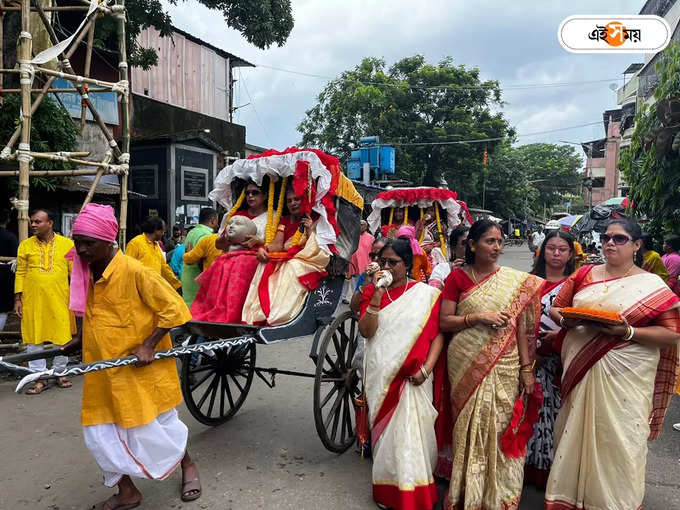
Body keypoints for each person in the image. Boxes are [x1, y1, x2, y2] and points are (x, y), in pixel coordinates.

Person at [61, 203, 201, 508]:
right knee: (98, 433)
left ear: (108, 241)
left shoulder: (135, 271)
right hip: (101, 367)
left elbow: (176, 310)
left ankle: (188, 465)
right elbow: (91, 310)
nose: (81, 249)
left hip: (139, 369)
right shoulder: (84, 269)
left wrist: (149, 344)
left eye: (89, 243)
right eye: (78, 242)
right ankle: (126, 490)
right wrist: (80, 338)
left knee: (157, 428)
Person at [545, 219, 680, 510]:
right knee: (572, 437)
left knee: (621, 443)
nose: (609, 243)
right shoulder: (583, 275)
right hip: (579, 371)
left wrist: (627, 332)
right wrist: (565, 319)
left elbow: (670, 334)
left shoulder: (651, 285)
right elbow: (557, 307)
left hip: (626, 378)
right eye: (606, 237)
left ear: (636, 245)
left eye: (619, 239)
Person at [439, 219, 543, 509]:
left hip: (506, 362)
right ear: (473, 245)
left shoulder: (512, 280)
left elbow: (521, 328)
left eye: (499, 241)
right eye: (490, 241)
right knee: (468, 428)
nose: (497, 247)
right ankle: (467, 494)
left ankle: (499, 497)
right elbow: (445, 322)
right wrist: (478, 317)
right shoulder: (457, 279)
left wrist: (526, 369)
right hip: (464, 360)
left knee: (500, 426)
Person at [358, 238, 444, 510]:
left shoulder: (426, 295)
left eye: (392, 262)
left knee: (410, 436)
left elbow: (438, 335)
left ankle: (412, 494)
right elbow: (367, 332)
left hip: (415, 379)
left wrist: (426, 369)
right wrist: (375, 294)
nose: (386, 267)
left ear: (406, 265)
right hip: (382, 377)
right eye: (382, 262)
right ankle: (388, 490)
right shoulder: (373, 291)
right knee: (388, 440)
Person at [524, 230, 575, 489]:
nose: (556, 253)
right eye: (551, 248)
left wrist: (556, 340)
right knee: (529, 414)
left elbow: (579, 324)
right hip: (528, 359)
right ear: (542, 251)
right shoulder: (528, 282)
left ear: (570, 254)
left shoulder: (576, 285)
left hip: (559, 360)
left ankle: (552, 473)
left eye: (562, 249)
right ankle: (526, 468)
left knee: (555, 417)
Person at [242, 187, 329, 326]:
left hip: (311, 260)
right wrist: (263, 249)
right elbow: (278, 245)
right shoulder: (285, 221)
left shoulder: (316, 219)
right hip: (288, 258)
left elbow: (318, 249)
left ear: (305, 201)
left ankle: (279, 314)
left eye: (297, 199)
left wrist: (310, 230)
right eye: (289, 201)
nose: (293, 203)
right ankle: (260, 312)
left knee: (291, 266)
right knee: (264, 263)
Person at [15, 209, 75, 393]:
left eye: (38, 221)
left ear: (50, 223)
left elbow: (75, 274)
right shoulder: (25, 245)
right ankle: (39, 378)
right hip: (33, 300)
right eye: (32, 222)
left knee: (62, 335)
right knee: (34, 338)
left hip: (61, 298)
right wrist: (18, 298)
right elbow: (21, 272)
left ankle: (60, 373)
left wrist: (79, 299)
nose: (33, 225)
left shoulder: (67, 244)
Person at [191, 215, 260, 324]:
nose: (231, 226)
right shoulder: (222, 258)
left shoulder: (248, 260)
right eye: (230, 223)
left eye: (238, 224)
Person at [126, 216, 182, 291]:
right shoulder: (135, 243)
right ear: (156, 230)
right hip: (139, 292)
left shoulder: (156, 246)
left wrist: (177, 285)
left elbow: (164, 268)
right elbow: (128, 269)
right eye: (162, 231)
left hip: (154, 290)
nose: (163, 234)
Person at [181, 208, 219, 307]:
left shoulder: (192, 232)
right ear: (213, 220)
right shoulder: (206, 235)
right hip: (197, 283)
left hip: (188, 279)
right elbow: (201, 259)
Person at [350, 238, 387, 313]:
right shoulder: (366, 276)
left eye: (380, 256)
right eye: (373, 255)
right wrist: (366, 283)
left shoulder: (392, 279)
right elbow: (354, 308)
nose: (376, 259)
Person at [0, 209, 18, 331]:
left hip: (5, 271)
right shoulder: (10, 237)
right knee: (2, 308)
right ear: (7, 220)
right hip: (4, 274)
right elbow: (18, 256)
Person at [349, 220, 375, 290]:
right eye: (359, 224)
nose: (360, 226)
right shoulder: (352, 235)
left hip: (365, 265)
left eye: (362, 225)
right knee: (354, 286)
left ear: (366, 227)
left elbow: (374, 252)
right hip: (353, 264)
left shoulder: (371, 238)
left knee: (364, 286)